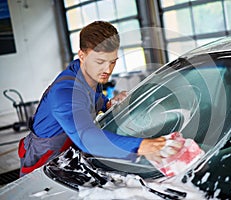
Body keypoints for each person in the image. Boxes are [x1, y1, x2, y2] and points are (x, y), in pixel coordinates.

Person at [18, 21, 182, 177]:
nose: (107, 69)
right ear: (82, 55)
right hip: (43, 160)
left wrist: (108, 103)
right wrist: (141, 146)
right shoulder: (64, 92)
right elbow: (87, 138)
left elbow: (93, 100)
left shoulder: (90, 74)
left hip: (69, 154)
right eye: (100, 61)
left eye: (112, 62)